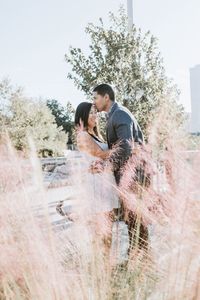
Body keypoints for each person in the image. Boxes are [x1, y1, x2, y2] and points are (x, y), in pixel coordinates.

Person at [93, 83, 148, 255]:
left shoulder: (120, 114)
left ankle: (140, 257)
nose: (93, 102)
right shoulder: (115, 115)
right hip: (129, 176)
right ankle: (138, 256)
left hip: (134, 176)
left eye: (95, 97)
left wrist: (106, 165)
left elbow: (126, 146)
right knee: (133, 219)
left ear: (106, 97)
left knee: (135, 218)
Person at [70, 102, 119, 259]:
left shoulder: (97, 134)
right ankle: (101, 269)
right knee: (101, 233)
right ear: (82, 116)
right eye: (90, 113)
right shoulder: (83, 135)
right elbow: (101, 153)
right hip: (96, 187)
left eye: (95, 112)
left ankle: (106, 268)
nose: (95, 115)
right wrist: (127, 149)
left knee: (108, 231)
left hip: (105, 183)